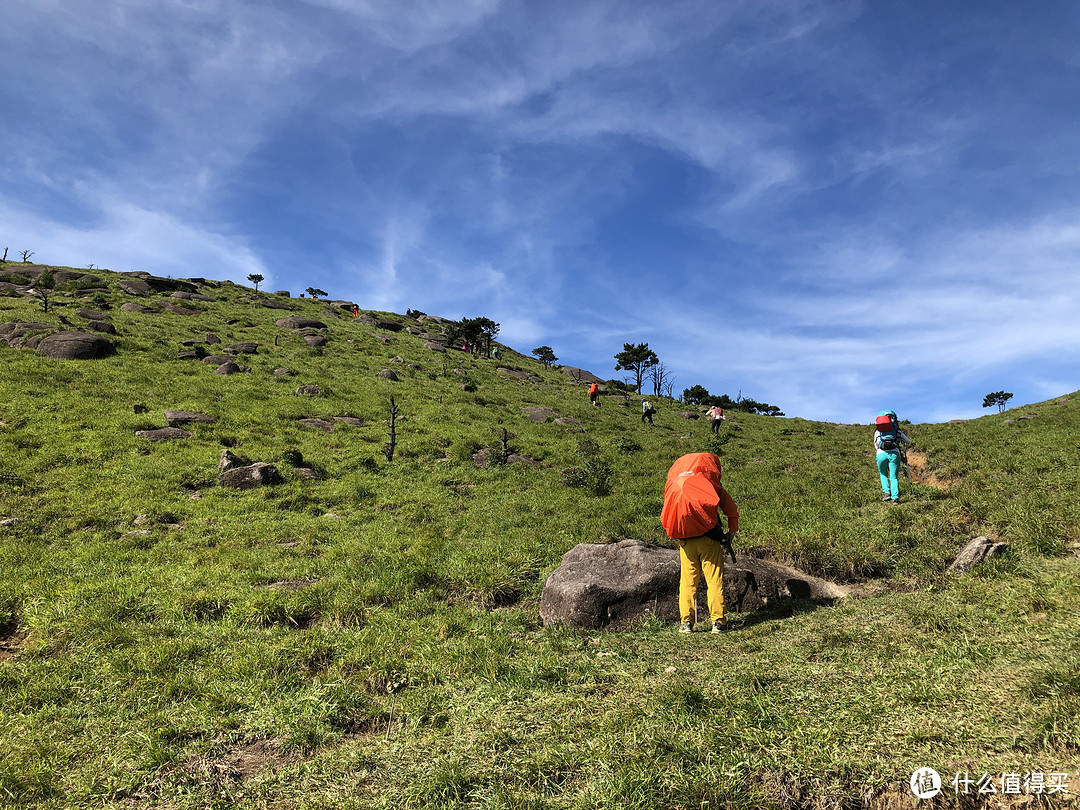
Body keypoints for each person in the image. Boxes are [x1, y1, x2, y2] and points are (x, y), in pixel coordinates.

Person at [660, 453, 739, 633]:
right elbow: (731, 510)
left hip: (686, 541)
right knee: (714, 580)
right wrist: (732, 531)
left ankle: (686, 623)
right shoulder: (709, 484)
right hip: (709, 540)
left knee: (688, 582)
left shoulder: (675, 485)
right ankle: (718, 622)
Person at [874, 410, 911, 504]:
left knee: (883, 474)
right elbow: (908, 441)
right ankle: (895, 498)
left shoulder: (878, 431)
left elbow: (876, 445)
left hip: (880, 454)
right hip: (894, 454)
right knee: (893, 477)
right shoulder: (896, 430)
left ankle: (887, 493)